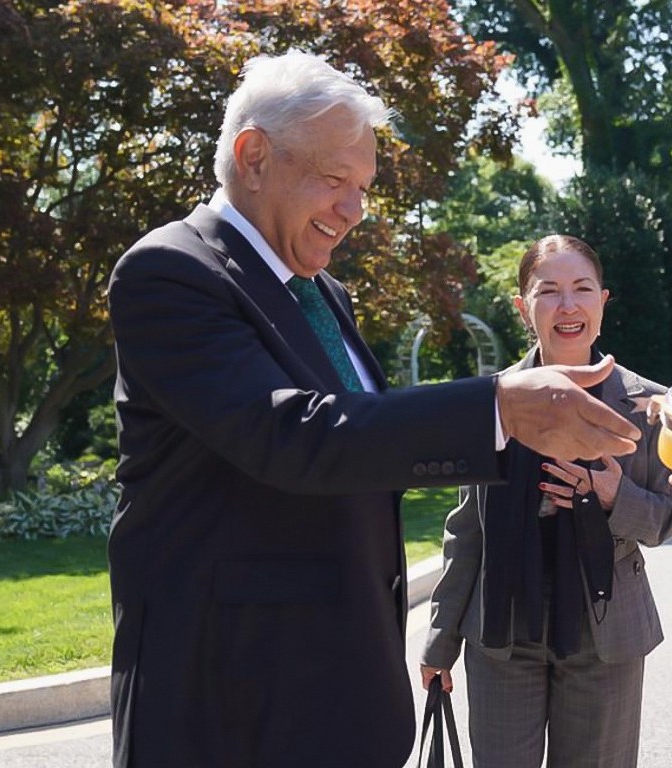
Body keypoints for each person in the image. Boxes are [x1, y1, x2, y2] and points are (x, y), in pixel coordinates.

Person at [107, 52, 641, 768]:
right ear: (253, 155)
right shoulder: (171, 272)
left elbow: (364, 445)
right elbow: (291, 435)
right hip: (229, 705)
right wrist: (497, 409)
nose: (354, 211)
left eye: (362, 188)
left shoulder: (326, 294)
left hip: (342, 699)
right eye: (335, 181)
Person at [419, 235, 672, 768]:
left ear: (602, 302)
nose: (567, 306)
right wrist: (439, 640)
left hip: (605, 635)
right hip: (501, 633)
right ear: (525, 308)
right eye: (549, 292)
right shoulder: (491, 403)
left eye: (581, 289)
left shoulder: (648, 404)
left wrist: (616, 496)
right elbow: (466, 531)